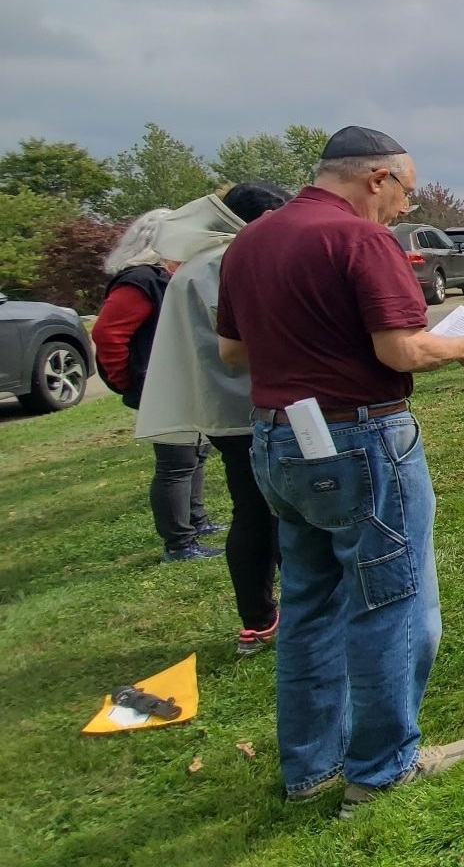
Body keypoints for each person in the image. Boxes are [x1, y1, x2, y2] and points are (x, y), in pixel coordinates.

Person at [215, 125, 464, 813]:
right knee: (394, 603)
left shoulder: (249, 242)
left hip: (277, 441)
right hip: (360, 438)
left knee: (310, 604)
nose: (403, 208)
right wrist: (462, 351)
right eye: (402, 191)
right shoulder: (360, 239)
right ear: (376, 177)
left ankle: (309, 767)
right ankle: (380, 768)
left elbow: (230, 354)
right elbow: (400, 350)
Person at [136, 182, 292, 653]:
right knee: (286, 513)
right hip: (262, 408)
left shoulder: (193, 267)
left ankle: (257, 620)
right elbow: (251, 341)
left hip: (221, 413)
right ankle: (299, 613)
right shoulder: (236, 261)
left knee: (251, 511)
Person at [92, 207, 222, 562]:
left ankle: (197, 521)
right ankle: (179, 543)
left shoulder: (170, 277)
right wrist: (129, 382)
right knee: (176, 462)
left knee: (196, 453)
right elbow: (108, 334)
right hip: (161, 384)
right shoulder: (140, 280)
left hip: (184, 380)